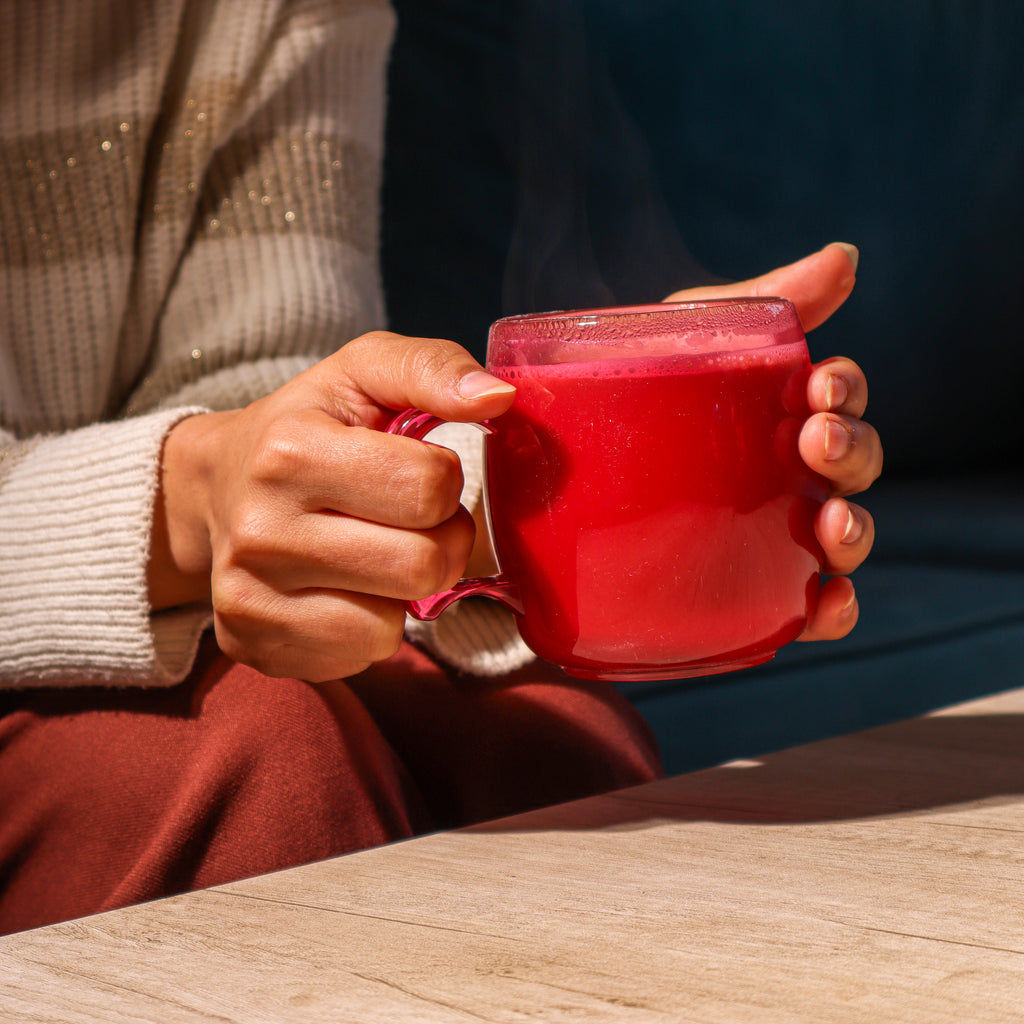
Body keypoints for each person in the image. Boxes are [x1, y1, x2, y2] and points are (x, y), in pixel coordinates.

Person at [0, 0, 881, 934]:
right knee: (274, 777)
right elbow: (230, 464)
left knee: (551, 750)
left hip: (169, 597)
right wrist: (198, 496)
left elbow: (261, 402)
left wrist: (621, 449)